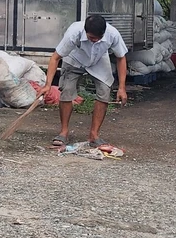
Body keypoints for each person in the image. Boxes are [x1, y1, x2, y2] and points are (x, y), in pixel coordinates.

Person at [40, 15, 128, 147]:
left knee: (104, 91)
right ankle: (63, 132)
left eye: (97, 38)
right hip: (74, 58)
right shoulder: (74, 32)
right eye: (91, 38)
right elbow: (55, 57)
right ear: (85, 32)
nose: (94, 41)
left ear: (103, 33)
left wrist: (122, 87)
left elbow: (121, 58)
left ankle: (94, 135)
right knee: (66, 92)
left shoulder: (113, 34)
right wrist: (47, 85)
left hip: (99, 59)